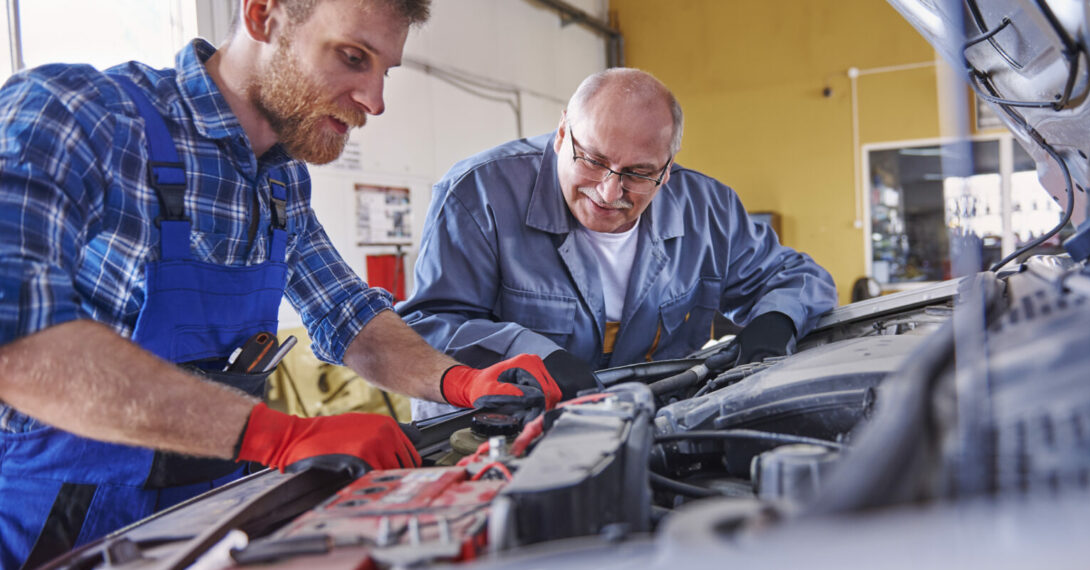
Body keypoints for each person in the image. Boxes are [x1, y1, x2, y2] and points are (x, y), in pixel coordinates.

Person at [0, 1, 565, 567]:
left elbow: (347, 314)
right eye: (352, 57)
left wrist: (460, 380)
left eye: (383, 72)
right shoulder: (79, 116)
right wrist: (278, 436)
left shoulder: (281, 179)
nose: (374, 100)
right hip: (56, 529)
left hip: (212, 520)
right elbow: (17, 346)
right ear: (263, 15)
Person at [398, 68, 838, 419]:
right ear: (561, 134)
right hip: (503, 433)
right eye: (593, 160)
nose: (610, 192)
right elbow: (430, 327)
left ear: (667, 169)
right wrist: (528, 352)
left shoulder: (709, 210)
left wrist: (776, 322)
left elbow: (797, 277)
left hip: (653, 429)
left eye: (639, 172)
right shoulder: (478, 194)